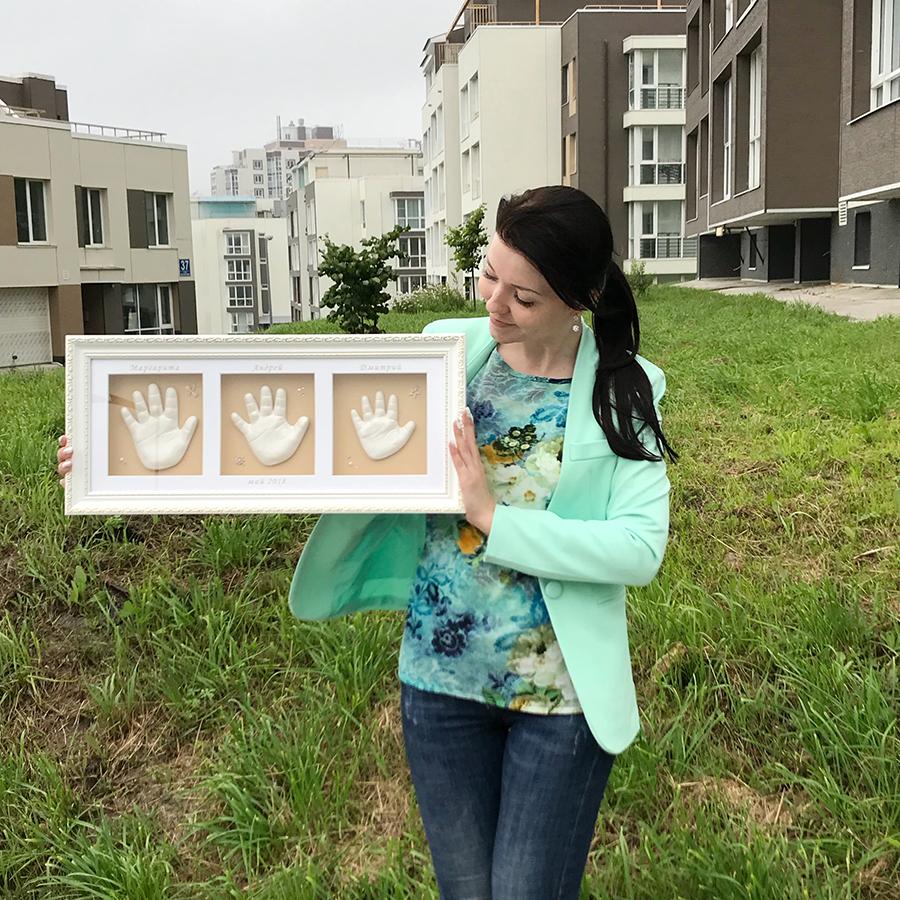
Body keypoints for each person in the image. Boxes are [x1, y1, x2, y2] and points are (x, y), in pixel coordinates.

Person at [56, 185, 676, 900]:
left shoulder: (625, 389)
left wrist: (491, 515)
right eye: (488, 275)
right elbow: (308, 442)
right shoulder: (445, 354)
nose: (495, 304)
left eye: (524, 298)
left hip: (560, 701)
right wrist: (110, 455)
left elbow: (638, 548)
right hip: (439, 684)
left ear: (581, 299)